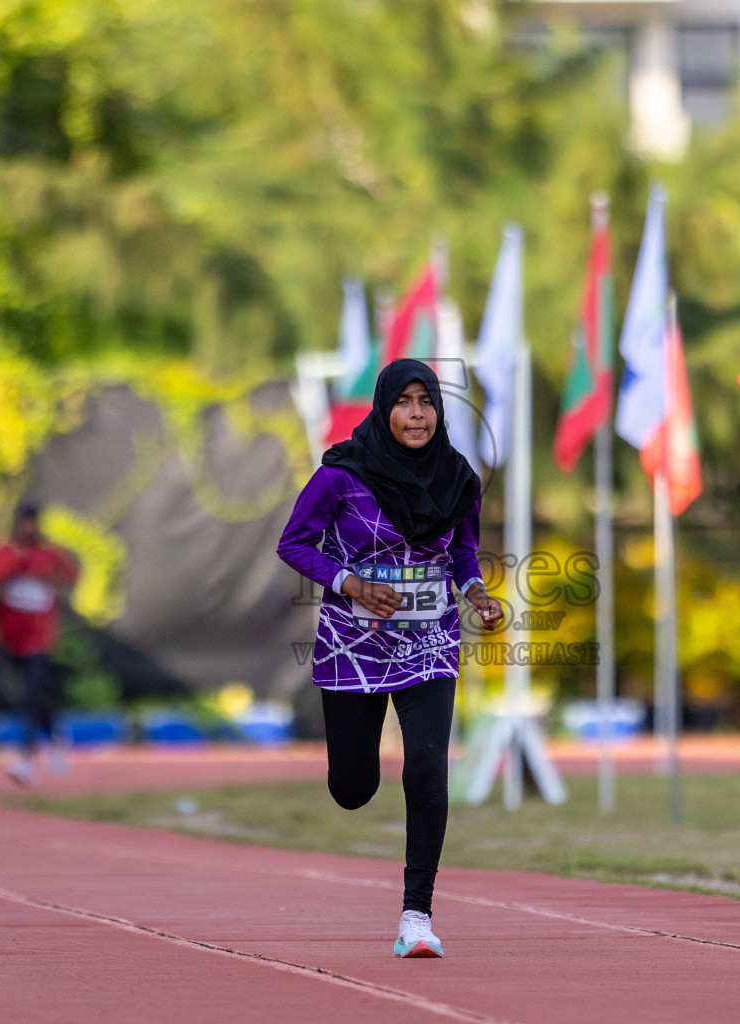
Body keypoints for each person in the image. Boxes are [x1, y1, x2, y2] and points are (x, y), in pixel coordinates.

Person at [278, 358, 501, 959]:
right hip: (354, 645)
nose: (417, 414)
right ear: (383, 408)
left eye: (426, 401)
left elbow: (463, 552)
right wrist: (350, 583)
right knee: (353, 788)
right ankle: (356, 770)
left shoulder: (459, 478)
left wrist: (476, 594)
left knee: (428, 767)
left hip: (431, 640)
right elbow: (293, 543)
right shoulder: (341, 477)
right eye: (403, 402)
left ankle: (417, 916)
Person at [0, 504, 80, 786]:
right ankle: (56, 733)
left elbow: (71, 577)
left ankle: (25, 761)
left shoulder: (49, 554)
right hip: (11, 638)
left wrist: (52, 575)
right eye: (24, 523)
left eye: (33, 523)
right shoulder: (5, 552)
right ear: (17, 524)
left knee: (32, 694)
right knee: (34, 695)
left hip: (41, 638)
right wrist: (14, 565)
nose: (28, 529)